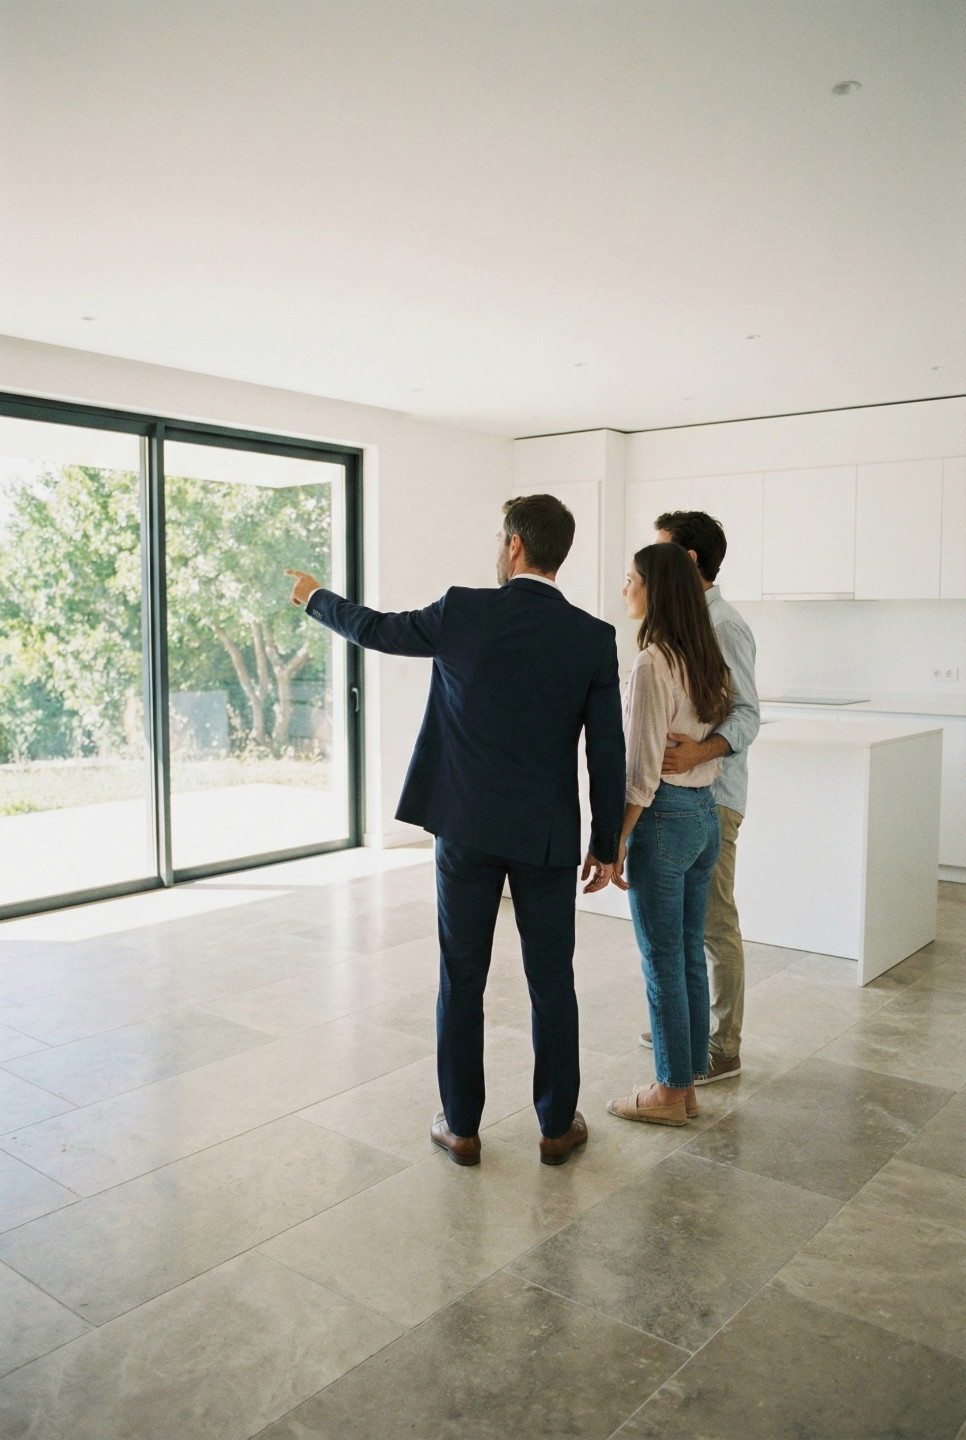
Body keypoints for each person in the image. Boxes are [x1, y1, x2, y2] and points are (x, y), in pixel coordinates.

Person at [286, 494, 625, 1166]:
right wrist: (607, 843)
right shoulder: (592, 637)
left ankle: (462, 1127)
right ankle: (557, 1127)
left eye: (501, 538)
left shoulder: (464, 611)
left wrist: (316, 598)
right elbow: (606, 750)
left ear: (516, 548)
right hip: (548, 839)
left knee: (461, 978)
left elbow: (378, 630)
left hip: (466, 829)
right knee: (552, 980)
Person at [608, 542, 730, 1127]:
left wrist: (616, 841)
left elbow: (640, 769)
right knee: (686, 955)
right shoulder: (703, 654)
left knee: (662, 959)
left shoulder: (653, 662)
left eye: (631, 579)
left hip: (665, 819)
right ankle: (686, 1084)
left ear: (655, 590)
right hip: (704, 816)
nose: (624, 588)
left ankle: (667, 1091)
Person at [645, 511, 760, 1084]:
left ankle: (724, 1044)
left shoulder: (724, 625)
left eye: (660, 553)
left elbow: (748, 715)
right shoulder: (687, 622)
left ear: (687, 562)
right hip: (689, 794)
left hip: (715, 796)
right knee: (684, 929)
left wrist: (699, 753)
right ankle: (686, 1026)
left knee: (713, 923)